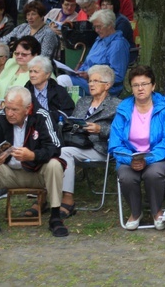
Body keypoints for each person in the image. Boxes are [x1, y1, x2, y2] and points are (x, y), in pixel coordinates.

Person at [108, 65, 165, 231]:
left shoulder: (164, 109)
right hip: (130, 158)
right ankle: (135, 212)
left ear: (153, 86)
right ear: (131, 88)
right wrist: (130, 159)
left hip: (160, 157)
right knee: (126, 175)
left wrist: (148, 158)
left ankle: (157, 212)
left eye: (145, 84)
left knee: (153, 173)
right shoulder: (123, 110)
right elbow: (115, 144)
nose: (140, 88)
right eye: (135, 85)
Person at [0, 86, 68, 237]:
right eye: (7, 108)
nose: (9, 113)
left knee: (55, 164)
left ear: (28, 108)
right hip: (8, 174)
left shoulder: (42, 116)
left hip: (37, 173)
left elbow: (55, 147)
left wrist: (33, 155)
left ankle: (55, 217)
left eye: (14, 109)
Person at [57, 65, 121, 219]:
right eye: (90, 81)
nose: (91, 84)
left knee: (64, 153)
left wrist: (101, 129)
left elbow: (123, 131)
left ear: (107, 85)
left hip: (100, 148)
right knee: (52, 149)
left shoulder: (118, 104)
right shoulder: (83, 102)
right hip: (78, 143)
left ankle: (67, 200)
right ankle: (44, 197)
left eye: (96, 81)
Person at [57, 10, 130, 96]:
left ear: (110, 25)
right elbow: (88, 62)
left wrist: (91, 76)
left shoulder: (118, 45)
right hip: (87, 80)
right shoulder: (99, 40)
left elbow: (118, 75)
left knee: (62, 80)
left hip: (104, 87)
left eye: (99, 27)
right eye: (95, 27)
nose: (96, 30)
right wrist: (78, 72)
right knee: (55, 81)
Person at [25, 56, 74, 129]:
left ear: (47, 74)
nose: (32, 75)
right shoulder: (25, 92)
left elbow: (68, 113)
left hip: (55, 129)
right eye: (30, 71)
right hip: (31, 129)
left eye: (36, 72)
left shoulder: (59, 91)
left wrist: (50, 116)